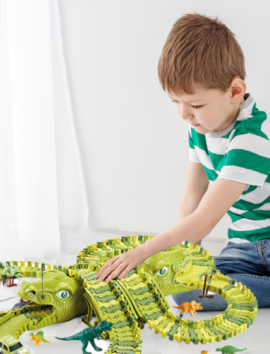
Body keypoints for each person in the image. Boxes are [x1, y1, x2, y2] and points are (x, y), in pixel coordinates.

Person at [96, 14, 270, 308]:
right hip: (242, 249)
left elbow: (204, 219)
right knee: (181, 289)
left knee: (184, 290)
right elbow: (192, 195)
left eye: (195, 104)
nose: (183, 114)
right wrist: (189, 255)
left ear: (235, 92)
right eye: (174, 101)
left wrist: (141, 252)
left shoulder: (250, 142)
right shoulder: (201, 129)